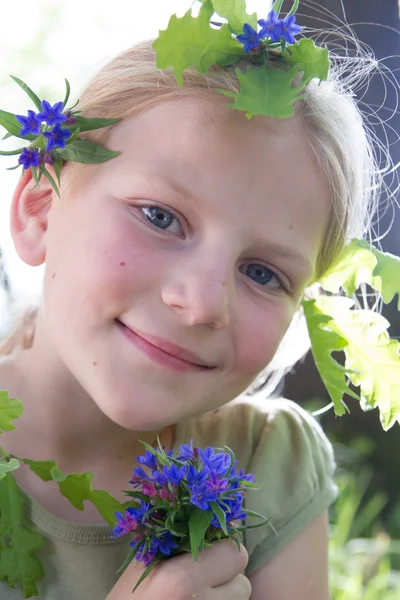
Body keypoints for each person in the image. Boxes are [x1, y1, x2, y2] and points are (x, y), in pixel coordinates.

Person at [0, 4, 385, 599]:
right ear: (40, 208)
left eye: (262, 272)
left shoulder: (267, 464)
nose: (204, 303)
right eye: (160, 217)